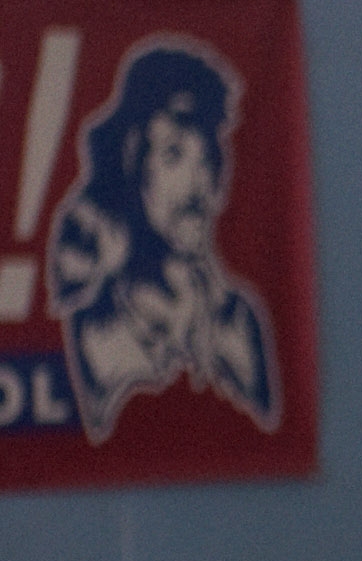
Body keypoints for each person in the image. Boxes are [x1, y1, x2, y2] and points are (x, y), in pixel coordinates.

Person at [49, 37, 280, 442]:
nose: (197, 183)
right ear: (133, 166)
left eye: (206, 157)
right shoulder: (97, 331)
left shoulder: (237, 320)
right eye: (173, 156)